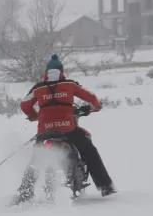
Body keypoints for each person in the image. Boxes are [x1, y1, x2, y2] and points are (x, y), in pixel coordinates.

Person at [16, 54, 116, 201]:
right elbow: (91, 98)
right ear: (61, 71)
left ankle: (25, 191)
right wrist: (96, 106)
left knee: (36, 159)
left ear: (47, 72)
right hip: (68, 129)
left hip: (45, 132)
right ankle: (105, 186)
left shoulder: (38, 88)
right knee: (89, 151)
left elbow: (24, 105)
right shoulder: (69, 84)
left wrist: (34, 115)